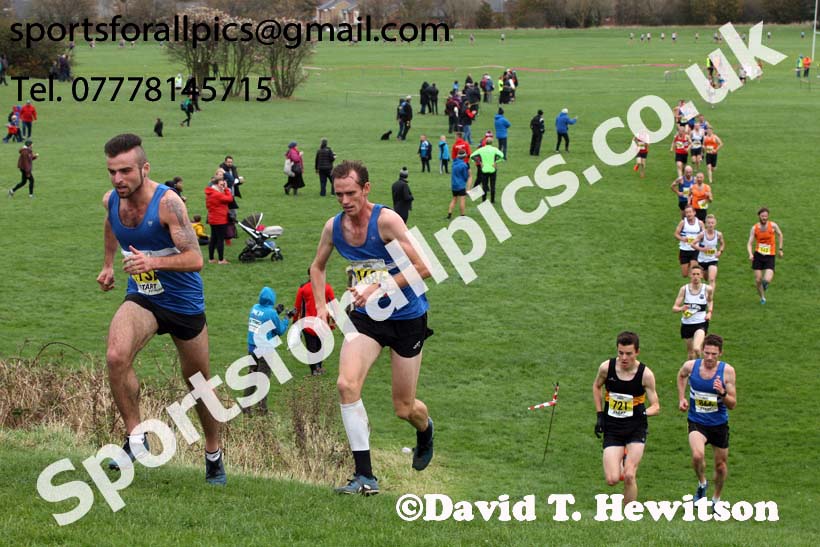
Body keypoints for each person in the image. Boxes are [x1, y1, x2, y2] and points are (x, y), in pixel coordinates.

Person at [95, 133, 225, 484]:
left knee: (198, 383)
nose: (118, 179)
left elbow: (196, 259)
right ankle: (136, 439)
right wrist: (108, 264)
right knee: (116, 356)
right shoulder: (111, 201)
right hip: (144, 297)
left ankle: (213, 452)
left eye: (125, 171)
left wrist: (151, 260)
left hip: (183, 304)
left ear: (144, 168)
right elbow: (111, 224)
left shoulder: (169, 204)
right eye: (112, 172)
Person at [309, 160, 434, 496]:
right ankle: (365, 477)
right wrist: (321, 308)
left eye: (351, 193)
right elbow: (316, 267)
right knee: (346, 385)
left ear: (366, 189)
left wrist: (378, 286)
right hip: (368, 319)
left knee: (403, 408)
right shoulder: (334, 228)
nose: (345, 200)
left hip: (407, 317)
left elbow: (426, 267)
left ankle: (425, 430)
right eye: (339, 194)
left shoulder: (387, 221)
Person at [592, 331, 660, 504]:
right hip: (613, 428)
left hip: (635, 428)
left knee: (629, 475)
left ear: (637, 352)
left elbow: (656, 406)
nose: (624, 357)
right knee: (612, 479)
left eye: (628, 353)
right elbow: (596, 386)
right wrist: (600, 415)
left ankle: (628, 515)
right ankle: (622, 456)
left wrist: (643, 412)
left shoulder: (646, 375)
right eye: (620, 352)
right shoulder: (606, 368)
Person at [677, 334, 736, 506]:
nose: (709, 357)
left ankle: (716, 499)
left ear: (720, 354)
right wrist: (682, 398)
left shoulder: (727, 372)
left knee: (721, 466)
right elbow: (681, 376)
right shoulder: (690, 366)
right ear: (702, 350)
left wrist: (722, 393)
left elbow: (732, 404)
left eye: (714, 354)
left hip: (718, 424)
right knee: (697, 455)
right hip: (697, 421)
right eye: (707, 353)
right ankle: (702, 483)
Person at [245, 287, 289, 413]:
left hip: (252, 348)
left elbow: (263, 319)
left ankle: (246, 407)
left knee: (252, 376)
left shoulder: (254, 308)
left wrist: (276, 312)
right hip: (264, 350)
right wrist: (286, 318)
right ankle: (262, 409)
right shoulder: (271, 313)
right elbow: (279, 330)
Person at [293, 270, 335, 376]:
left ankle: (314, 370)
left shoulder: (303, 289)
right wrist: (334, 322)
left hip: (307, 324)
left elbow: (297, 307)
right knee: (321, 346)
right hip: (323, 323)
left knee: (311, 347)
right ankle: (319, 367)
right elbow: (334, 305)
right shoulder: (327, 288)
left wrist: (294, 321)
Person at [672, 265, 714, 359]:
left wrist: (709, 312)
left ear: (702, 276)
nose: (695, 276)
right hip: (687, 324)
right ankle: (689, 372)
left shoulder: (707, 289)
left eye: (698, 274)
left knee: (696, 349)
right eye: (693, 274)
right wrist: (681, 308)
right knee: (690, 353)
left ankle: (700, 364)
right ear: (690, 275)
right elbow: (674, 308)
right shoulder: (684, 289)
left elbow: (710, 301)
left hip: (701, 323)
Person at [746, 207, 783, 304]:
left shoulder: (773, 226)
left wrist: (780, 249)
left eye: (766, 216)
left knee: (766, 280)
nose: (764, 218)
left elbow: (780, 234)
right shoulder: (755, 228)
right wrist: (750, 254)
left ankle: (763, 287)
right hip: (758, 256)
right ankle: (762, 297)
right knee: (758, 280)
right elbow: (749, 243)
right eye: (762, 216)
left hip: (770, 255)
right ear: (759, 216)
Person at [205, 172, 233, 264]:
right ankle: (221, 260)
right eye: (221, 184)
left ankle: (211, 258)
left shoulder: (210, 193)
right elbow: (229, 199)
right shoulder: (217, 194)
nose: (222, 186)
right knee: (220, 240)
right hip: (220, 219)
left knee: (213, 239)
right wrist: (227, 189)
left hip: (213, 219)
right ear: (216, 184)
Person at [693, 214, 724, 293]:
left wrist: (720, 251)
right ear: (706, 224)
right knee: (705, 278)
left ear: (715, 223)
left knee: (712, 279)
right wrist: (702, 249)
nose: (710, 225)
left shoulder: (718, 234)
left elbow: (722, 244)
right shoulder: (702, 234)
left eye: (712, 223)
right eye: (709, 223)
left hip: (713, 259)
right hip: (702, 260)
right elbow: (692, 244)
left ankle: (710, 298)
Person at [469, 137, 504, 204]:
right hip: (492, 169)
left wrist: (479, 162)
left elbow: (472, 156)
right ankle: (492, 200)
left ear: (485, 143)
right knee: (492, 185)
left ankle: (484, 200)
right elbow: (502, 155)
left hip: (484, 169)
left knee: (484, 186)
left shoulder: (481, 149)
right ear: (491, 143)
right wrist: (496, 161)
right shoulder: (494, 149)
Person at [674, 204, 704, 277]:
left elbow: (704, 235)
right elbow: (676, 234)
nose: (688, 214)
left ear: (694, 213)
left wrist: (698, 240)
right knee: (685, 274)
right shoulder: (683, 223)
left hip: (695, 250)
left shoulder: (700, 223)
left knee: (693, 273)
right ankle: (690, 263)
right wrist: (682, 239)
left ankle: (693, 287)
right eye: (687, 212)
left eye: (690, 212)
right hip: (684, 250)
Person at [447, 149, 471, 219]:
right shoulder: (464, 165)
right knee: (462, 200)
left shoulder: (454, 163)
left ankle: (449, 214)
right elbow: (465, 176)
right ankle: (462, 215)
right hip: (461, 186)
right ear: (464, 156)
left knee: (454, 199)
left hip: (454, 185)